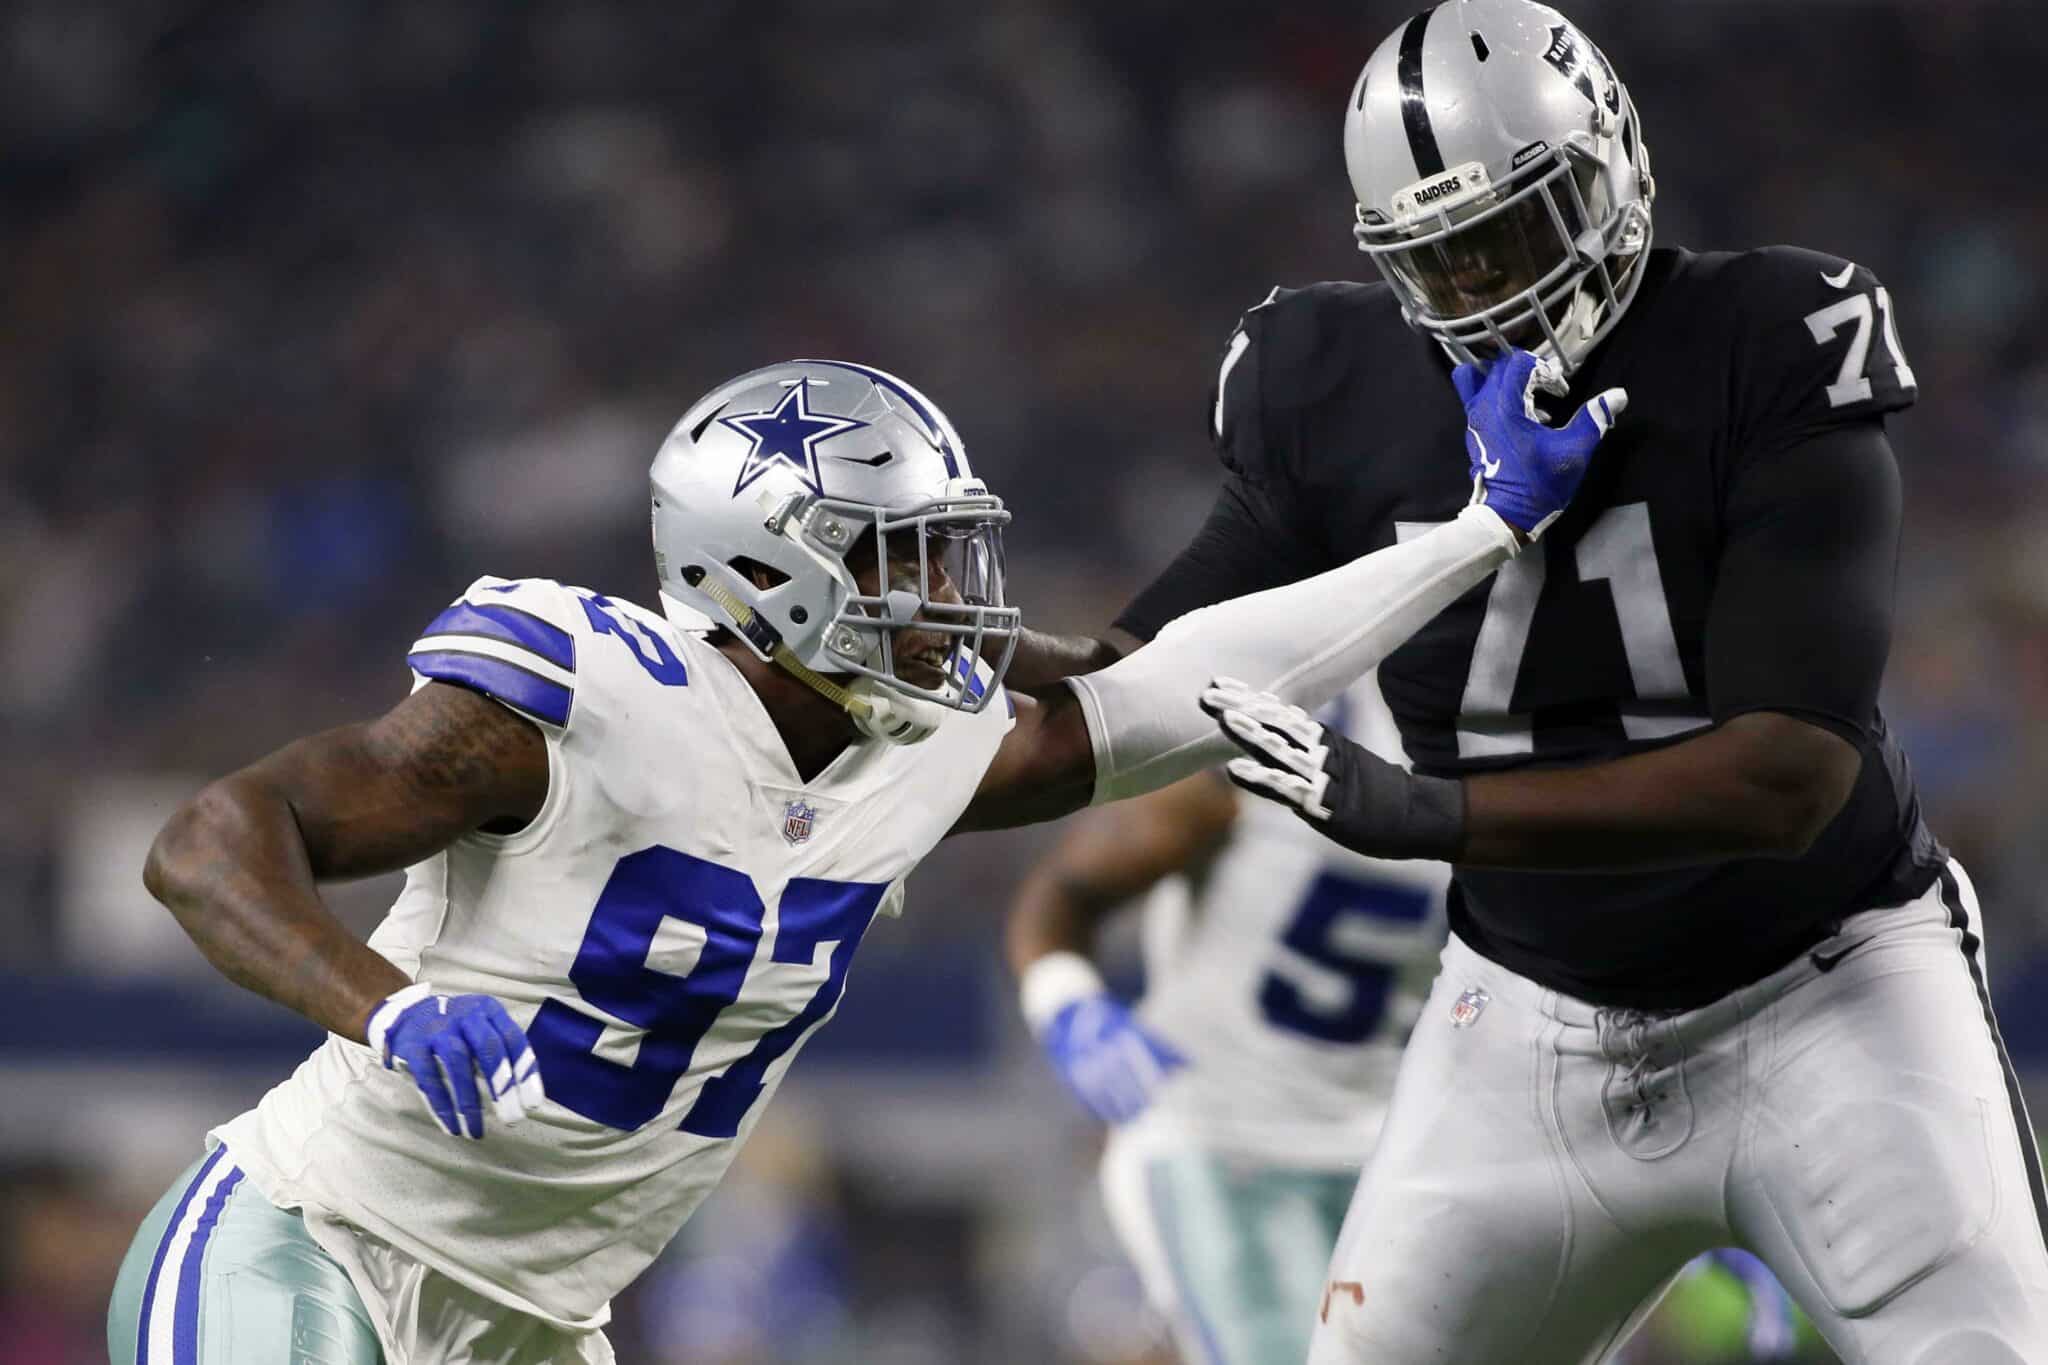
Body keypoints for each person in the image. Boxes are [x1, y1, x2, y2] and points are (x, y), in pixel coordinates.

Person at [105, 353, 1615, 1364]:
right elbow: (208, 842)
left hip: (538, 1319)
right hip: (312, 1238)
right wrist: (386, 1001)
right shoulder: (579, 695)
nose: (946, 594)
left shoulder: (928, 750)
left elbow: (1197, 680)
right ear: (762, 570)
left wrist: (1482, 531)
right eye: (901, 557)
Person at [1009, 1, 2048, 1361]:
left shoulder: (1771, 333)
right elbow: (1149, 674)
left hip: (1827, 985)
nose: (1495, 286)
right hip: (1527, 1024)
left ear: (1614, 164)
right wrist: (967, 654)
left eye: (1521, 225)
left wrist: (1435, 812)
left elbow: (1791, 771)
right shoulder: (1332, 385)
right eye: (1443, 259)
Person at [1008, 675, 1448, 1365]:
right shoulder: (1281, 726)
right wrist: (1067, 1003)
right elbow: (1066, 892)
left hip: (1384, 1157)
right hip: (1219, 1141)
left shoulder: (1525, 753)